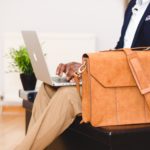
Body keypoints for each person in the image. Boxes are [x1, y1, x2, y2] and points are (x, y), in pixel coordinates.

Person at [16, 0, 150, 149]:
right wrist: (85, 67)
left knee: (68, 96)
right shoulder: (133, 5)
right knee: (47, 89)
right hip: (117, 87)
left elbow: (144, 60)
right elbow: (119, 51)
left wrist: (91, 68)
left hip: (137, 94)